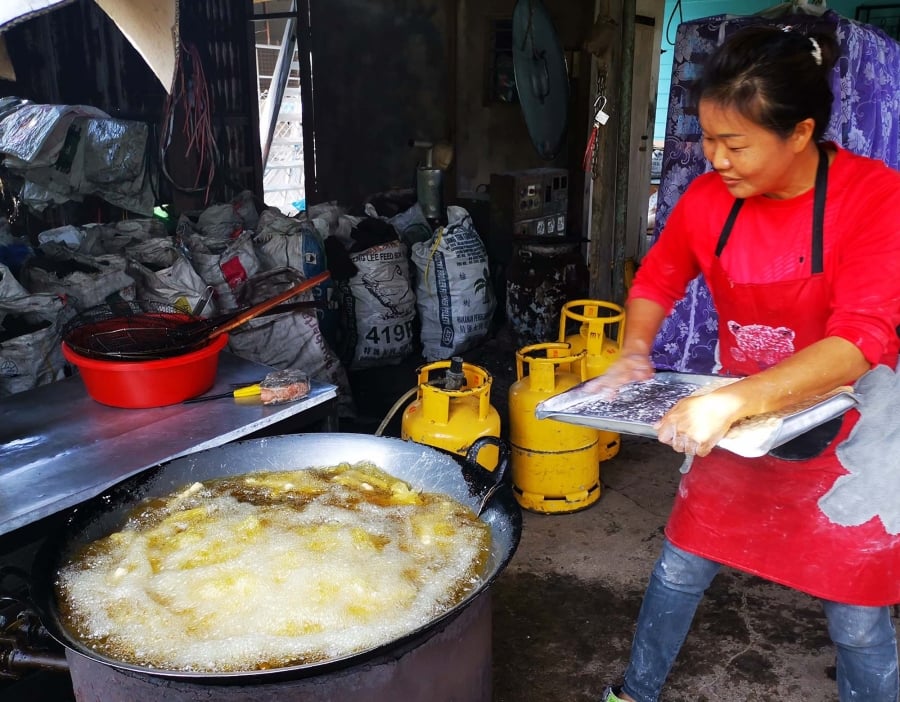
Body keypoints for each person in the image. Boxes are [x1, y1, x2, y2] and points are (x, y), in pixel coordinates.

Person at [589, 24, 900, 702]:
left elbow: (862, 339)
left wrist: (733, 400)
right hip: (745, 423)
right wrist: (635, 351)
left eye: (735, 143)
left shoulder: (873, 196)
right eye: (706, 139)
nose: (716, 159)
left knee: (856, 616)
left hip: (855, 431)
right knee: (679, 568)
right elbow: (658, 279)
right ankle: (632, 693)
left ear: (800, 132)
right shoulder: (708, 199)